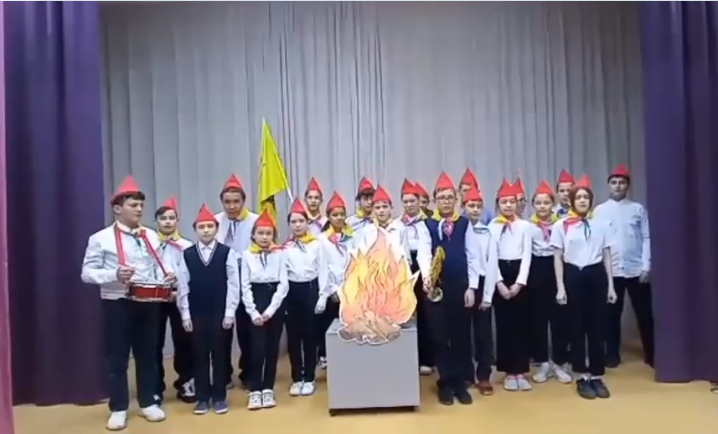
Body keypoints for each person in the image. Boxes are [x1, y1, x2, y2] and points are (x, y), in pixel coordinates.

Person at [81, 176, 174, 430]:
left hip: (148, 303)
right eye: (133, 205)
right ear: (117, 208)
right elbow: (86, 273)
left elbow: (156, 267)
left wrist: (167, 276)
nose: (139, 209)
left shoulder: (151, 235)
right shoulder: (100, 238)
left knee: (148, 354)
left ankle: (148, 402)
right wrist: (114, 275)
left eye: (141, 205)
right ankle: (119, 407)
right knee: (117, 357)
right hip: (117, 303)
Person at [551, 174, 617, 400]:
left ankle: (597, 374)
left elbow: (607, 255)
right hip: (573, 274)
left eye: (585, 197)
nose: (581, 201)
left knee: (597, 326)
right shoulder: (561, 225)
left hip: (596, 275)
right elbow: (557, 257)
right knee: (576, 327)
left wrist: (611, 286)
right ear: (571, 201)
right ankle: (581, 375)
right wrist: (560, 287)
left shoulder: (601, 224)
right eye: (578, 197)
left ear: (590, 201)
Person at [178, 204, 240, 415]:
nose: (206, 230)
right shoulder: (187, 254)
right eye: (201, 227)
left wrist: (230, 312)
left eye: (210, 226)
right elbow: (183, 285)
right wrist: (185, 314)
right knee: (199, 355)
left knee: (220, 355)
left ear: (216, 228)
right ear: (195, 229)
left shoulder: (227, 253)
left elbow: (233, 284)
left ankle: (220, 396)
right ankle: (202, 398)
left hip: (220, 312)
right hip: (197, 313)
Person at [424, 172, 479, 406]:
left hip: (460, 287)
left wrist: (472, 287)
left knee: (460, 336)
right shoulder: (427, 224)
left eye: (449, 197)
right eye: (441, 198)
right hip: (436, 288)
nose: (446, 201)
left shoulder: (464, 224)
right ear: (434, 200)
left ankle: (459, 382)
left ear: (456, 199)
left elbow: (473, 256)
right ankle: (445, 382)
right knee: (440, 336)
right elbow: (424, 253)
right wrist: (427, 278)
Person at [593, 164, 654, 368]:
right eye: (614, 182)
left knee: (645, 314)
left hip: (636, 270)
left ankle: (652, 354)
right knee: (610, 316)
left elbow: (647, 237)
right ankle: (612, 355)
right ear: (608, 185)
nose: (618, 186)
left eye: (622, 182)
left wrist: (646, 266)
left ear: (628, 185)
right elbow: (597, 241)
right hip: (612, 271)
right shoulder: (599, 211)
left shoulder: (638, 209)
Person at [486, 180, 533, 391]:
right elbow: (491, 257)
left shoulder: (525, 226)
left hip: (519, 276)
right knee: (504, 325)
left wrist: (520, 283)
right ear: (498, 204)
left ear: (517, 203)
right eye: (503, 202)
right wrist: (499, 283)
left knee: (522, 324)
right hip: (499, 275)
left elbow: (527, 255)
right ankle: (508, 372)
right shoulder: (492, 227)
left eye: (511, 202)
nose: (507, 205)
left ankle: (520, 371)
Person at [241, 210, 289, 410]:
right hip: (255, 300)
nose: (264, 237)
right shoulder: (246, 255)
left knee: (272, 348)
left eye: (268, 233)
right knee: (256, 348)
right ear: (253, 235)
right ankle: (255, 389)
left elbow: (284, 284)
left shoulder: (280, 254)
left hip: (274, 302)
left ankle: (268, 387)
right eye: (260, 233)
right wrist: (253, 312)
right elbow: (244, 286)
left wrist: (270, 310)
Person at [214, 174, 258, 389]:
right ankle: (223, 374)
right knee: (222, 331)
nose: (232, 206)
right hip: (222, 283)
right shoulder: (214, 221)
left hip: (248, 281)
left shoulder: (255, 221)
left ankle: (248, 373)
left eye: (236, 201)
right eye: (227, 202)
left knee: (247, 331)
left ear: (243, 201)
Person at [525, 182, 572, 384]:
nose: (542, 206)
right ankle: (543, 362)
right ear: (533, 205)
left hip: (558, 269)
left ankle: (559, 362)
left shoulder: (561, 224)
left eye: (546, 203)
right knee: (538, 320)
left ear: (553, 204)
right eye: (538, 203)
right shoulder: (528, 226)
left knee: (560, 319)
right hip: (536, 271)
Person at [284, 199, 327, 397]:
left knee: (310, 336)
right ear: (289, 224)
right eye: (293, 222)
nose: (297, 225)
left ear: (307, 223)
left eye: (301, 221)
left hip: (311, 289)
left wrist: (322, 296)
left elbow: (323, 270)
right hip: (291, 291)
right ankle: (296, 378)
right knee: (293, 337)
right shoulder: (285, 247)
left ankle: (309, 377)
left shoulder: (317, 245)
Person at [154, 197, 196, 404]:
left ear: (177, 220)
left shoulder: (186, 246)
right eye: (163, 218)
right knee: (154, 342)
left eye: (171, 218)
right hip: (155, 298)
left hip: (179, 298)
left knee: (184, 340)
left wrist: (177, 283)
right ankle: (154, 386)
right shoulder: (149, 244)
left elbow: (190, 274)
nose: (168, 222)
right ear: (156, 221)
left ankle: (186, 381)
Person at [316, 192, 356, 369]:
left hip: (351, 288)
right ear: (329, 217)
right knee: (329, 324)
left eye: (342, 214)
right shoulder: (322, 240)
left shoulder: (352, 237)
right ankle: (326, 355)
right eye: (335, 214)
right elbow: (323, 267)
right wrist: (332, 290)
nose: (339, 217)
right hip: (331, 289)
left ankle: (348, 356)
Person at [462, 185, 495, 396]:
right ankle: (466, 373)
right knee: (463, 332)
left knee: (483, 333)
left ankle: (484, 375)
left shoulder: (488, 232)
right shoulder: (457, 229)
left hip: (483, 284)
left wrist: (488, 295)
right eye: (470, 205)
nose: (474, 209)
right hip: (462, 284)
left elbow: (492, 265)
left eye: (478, 206)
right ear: (463, 207)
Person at [400, 179, 434, 375]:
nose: (409, 204)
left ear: (419, 202)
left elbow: (427, 252)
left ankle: (426, 358)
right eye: (405, 201)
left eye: (412, 201)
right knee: (404, 313)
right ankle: (405, 358)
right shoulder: (397, 224)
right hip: (404, 269)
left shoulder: (427, 223)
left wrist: (427, 275)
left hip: (423, 268)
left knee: (425, 314)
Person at [354, 185, 418, 265]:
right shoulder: (367, 231)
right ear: (373, 210)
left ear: (391, 207)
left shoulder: (400, 228)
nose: (381, 210)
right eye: (377, 208)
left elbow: (406, 258)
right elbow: (360, 258)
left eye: (385, 207)